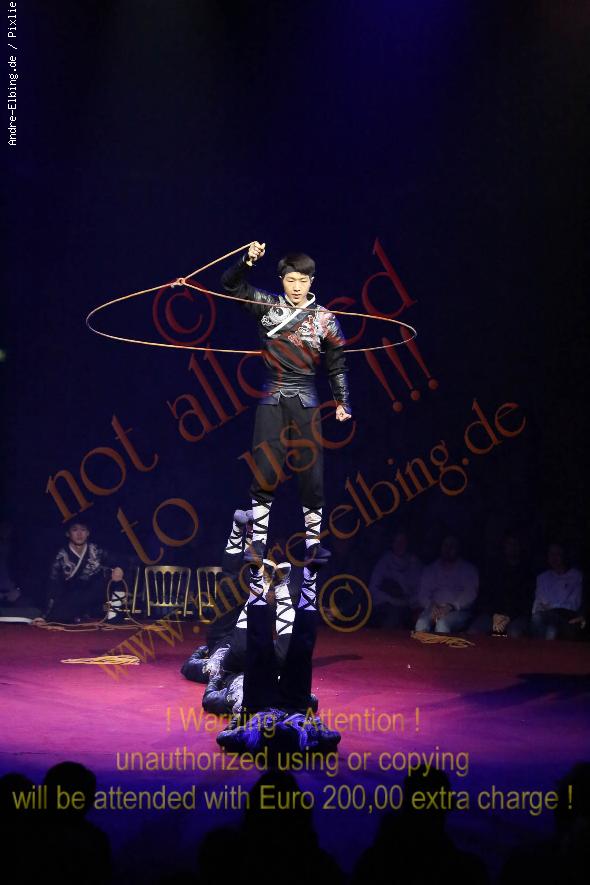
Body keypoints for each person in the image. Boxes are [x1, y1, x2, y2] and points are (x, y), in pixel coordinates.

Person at [221, 241, 352, 568]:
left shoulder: (325, 319)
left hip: (307, 400)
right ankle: (257, 543)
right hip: (272, 397)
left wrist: (341, 401)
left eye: (302, 281)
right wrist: (247, 261)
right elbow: (231, 286)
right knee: (265, 468)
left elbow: (336, 363)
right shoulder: (268, 306)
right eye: (290, 280)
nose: (296, 287)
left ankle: (313, 545)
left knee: (311, 473)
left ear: (311, 282)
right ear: (281, 280)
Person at [43, 521, 126, 623]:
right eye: (75, 530)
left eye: (83, 530)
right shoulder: (60, 556)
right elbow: (53, 586)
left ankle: (114, 612)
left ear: (88, 533)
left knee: (118, 571)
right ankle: (82, 613)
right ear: (68, 534)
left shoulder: (96, 550)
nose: (79, 534)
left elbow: (119, 560)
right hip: (74, 595)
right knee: (58, 617)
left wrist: (119, 568)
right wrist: (45, 615)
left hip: (96, 591)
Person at [468, 533, 533, 638]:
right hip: (493, 615)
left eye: (515, 544)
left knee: (514, 633)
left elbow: (526, 601)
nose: (512, 547)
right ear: (504, 546)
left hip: (516, 616)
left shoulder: (527, 572)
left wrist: (509, 616)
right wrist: (495, 615)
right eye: (509, 544)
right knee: (474, 631)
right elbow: (485, 596)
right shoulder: (494, 569)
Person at [415, 535, 478, 634]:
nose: (448, 549)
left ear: (458, 548)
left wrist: (451, 606)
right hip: (434, 609)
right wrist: (432, 605)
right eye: (446, 545)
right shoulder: (430, 569)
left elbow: (471, 593)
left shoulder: (468, 570)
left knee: (442, 624)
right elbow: (422, 593)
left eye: (452, 545)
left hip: (457, 611)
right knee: (421, 623)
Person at [368, 529, 422, 628]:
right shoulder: (384, 562)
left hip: (409, 605)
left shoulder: (414, 562)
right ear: (392, 543)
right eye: (397, 541)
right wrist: (391, 598)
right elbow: (373, 588)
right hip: (386, 605)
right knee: (392, 616)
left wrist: (406, 600)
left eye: (403, 541)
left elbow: (419, 589)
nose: (400, 545)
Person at [530, 543, 585, 640]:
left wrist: (551, 607)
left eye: (557, 554)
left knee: (550, 627)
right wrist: (549, 607)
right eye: (551, 554)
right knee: (549, 628)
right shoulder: (542, 578)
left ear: (564, 555)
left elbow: (573, 604)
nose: (554, 558)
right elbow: (539, 603)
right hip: (544, 617)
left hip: (566, 618)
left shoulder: (575, 576)